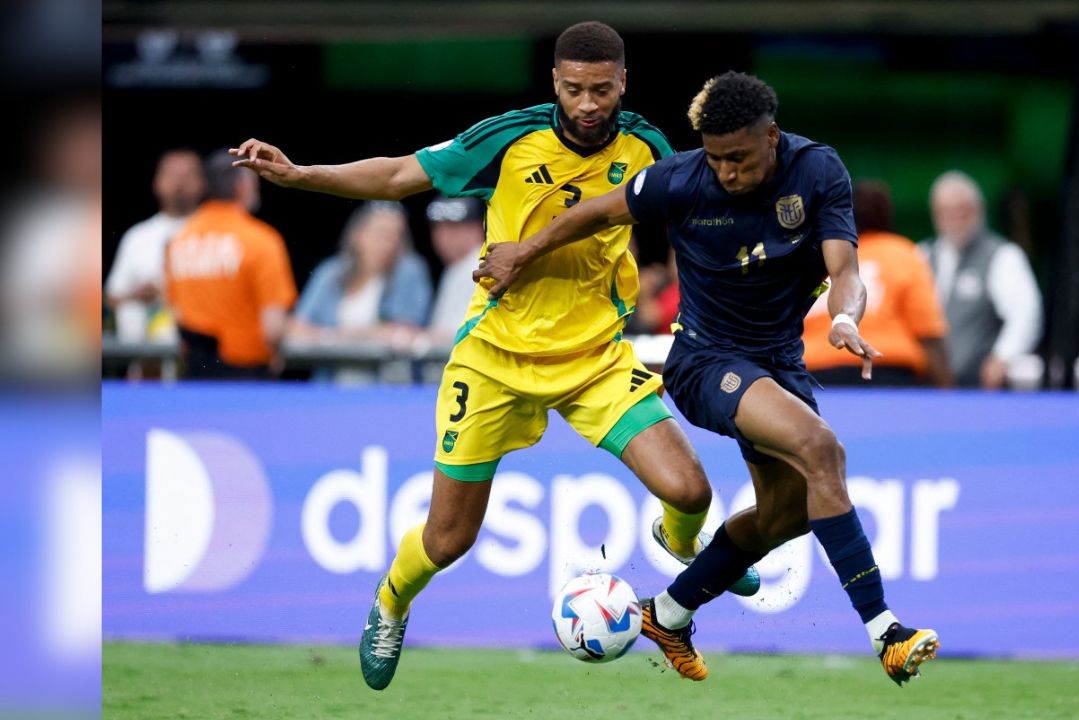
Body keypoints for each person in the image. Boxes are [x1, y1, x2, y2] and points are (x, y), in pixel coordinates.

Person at [230, 21, 758, 691]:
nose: (589, 104)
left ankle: (683, 543)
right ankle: (391, 601)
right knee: (447, 541)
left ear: (622, 82)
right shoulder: (508, 138)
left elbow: (692, 221)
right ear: (555, 86)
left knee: (689, 489)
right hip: (495, 360)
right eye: (574, 90)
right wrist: (300, 174)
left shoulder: (647, 145)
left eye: (601, 89)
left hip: (593, 356)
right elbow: (397, 175)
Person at [476, 71, 939, 685]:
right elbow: (591, 213)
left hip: (778, 363)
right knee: (821, 449)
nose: (727, 172)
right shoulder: (679, 179)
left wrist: (846, 315)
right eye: (717, 158)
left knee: (786, 516)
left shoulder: (818, 171)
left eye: (741, 159)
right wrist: (522, 252)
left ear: (772, 137)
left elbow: (845, 269)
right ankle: (886, 633)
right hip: (705, 361)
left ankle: (667, 613)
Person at [803, 180, 952, 387]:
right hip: (888, 374)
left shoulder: (817, 257)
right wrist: (948, 394)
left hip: (815, 377)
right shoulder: (901, 253)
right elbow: (929, 334)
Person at [165, 149, 297, 379]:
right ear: (242, 185)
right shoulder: (261, 241)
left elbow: (175, 312)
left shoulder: (179, 240)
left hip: (194, 374)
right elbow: (273, 329)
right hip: (246, 378)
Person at [920, 170, 1042, 389]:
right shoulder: (921, 255)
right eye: (946, 212)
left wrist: (1003, 357)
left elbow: (1025, 314)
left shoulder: (1003, 255)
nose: (954, 219)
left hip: (976, 386)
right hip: (925, 385)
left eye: (962, 211)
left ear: (979, 210)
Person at [288, 201, 433, 384]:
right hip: (329, 384)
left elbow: (404, 332)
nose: (390, 243)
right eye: (382, 234)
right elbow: (296, 330)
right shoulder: (332, 271)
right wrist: (362, 335)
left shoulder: (409, 271)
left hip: (386, 386)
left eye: (398, 236)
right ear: (358, 235)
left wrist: (332, 337)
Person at [105, 148, 206, 344]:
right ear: (156, 182)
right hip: (148, 362)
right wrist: (136, 295)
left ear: (203, 183)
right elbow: (112, 296)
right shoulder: (137, 236)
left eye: (187, 175)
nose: (179, 182)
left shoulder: (218, 233)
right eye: (171, 174)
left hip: (202, 354)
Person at [422, 196, 484, 344]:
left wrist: (417, 338)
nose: (443, 236)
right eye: (437, 227)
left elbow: (464, 332)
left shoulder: (479, 265)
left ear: (477, 229)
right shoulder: (457, 267)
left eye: (453, 227)